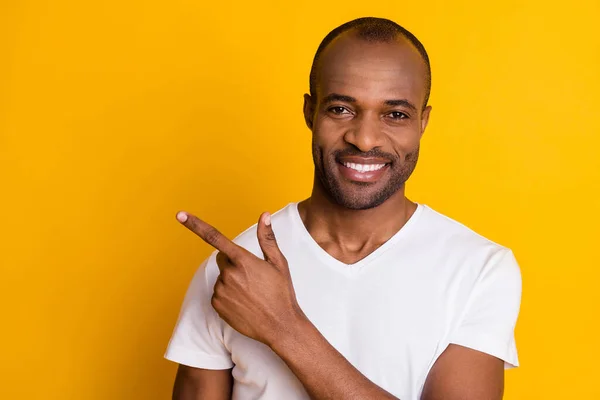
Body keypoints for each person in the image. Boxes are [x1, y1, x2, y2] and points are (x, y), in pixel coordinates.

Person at [164, 17, 522, 400]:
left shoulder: (479, 268)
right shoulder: (236, 271)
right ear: (309, 112)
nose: (365, 139)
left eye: (395, 114)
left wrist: (284, 327)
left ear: (423, 122)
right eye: (341, 109)